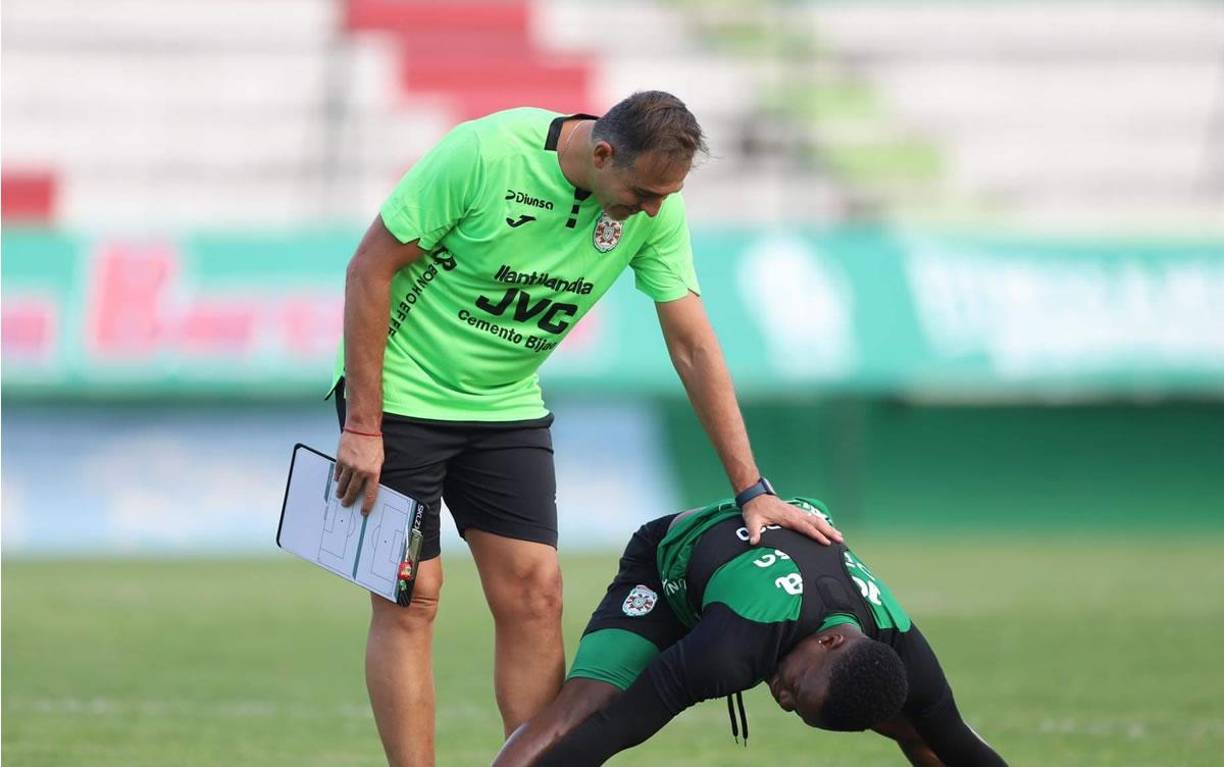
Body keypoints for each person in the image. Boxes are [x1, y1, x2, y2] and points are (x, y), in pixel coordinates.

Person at [328, 90, 844, 767]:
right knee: (411, 597)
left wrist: (752, 488)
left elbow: (692, 343)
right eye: (643, 193)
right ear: (602, 153)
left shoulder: (656, 209)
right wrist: (364, 422)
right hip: (400, 397)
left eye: (667, 195)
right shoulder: (483, 154)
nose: (653, 210)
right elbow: (369, 269)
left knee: (537, 594)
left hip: (504, 405)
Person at [492, 497, 1008, 767]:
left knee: (923, 730)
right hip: (667, 568)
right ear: (829, 641)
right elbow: (611, 733)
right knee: (585, 706)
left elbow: (962, 745)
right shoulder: (732, 649)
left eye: (791, 707)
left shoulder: (897, 641)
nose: (780, 699)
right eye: (795, 693)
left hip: (759, 588)